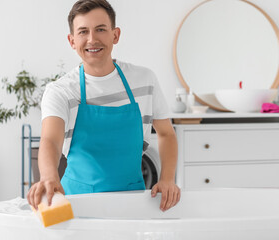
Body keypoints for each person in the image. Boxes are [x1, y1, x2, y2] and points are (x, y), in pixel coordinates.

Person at [27, 0, 180, 212]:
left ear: (115, 35)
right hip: (76, 204)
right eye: (83, 32)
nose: (92, 39)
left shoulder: (144, 80)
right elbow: (51, 140)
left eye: (100, 29)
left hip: (133, 201)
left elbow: (167, 134)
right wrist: (49, 176)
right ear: (72, 40)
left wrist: (167, 179)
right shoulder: (60, 90)